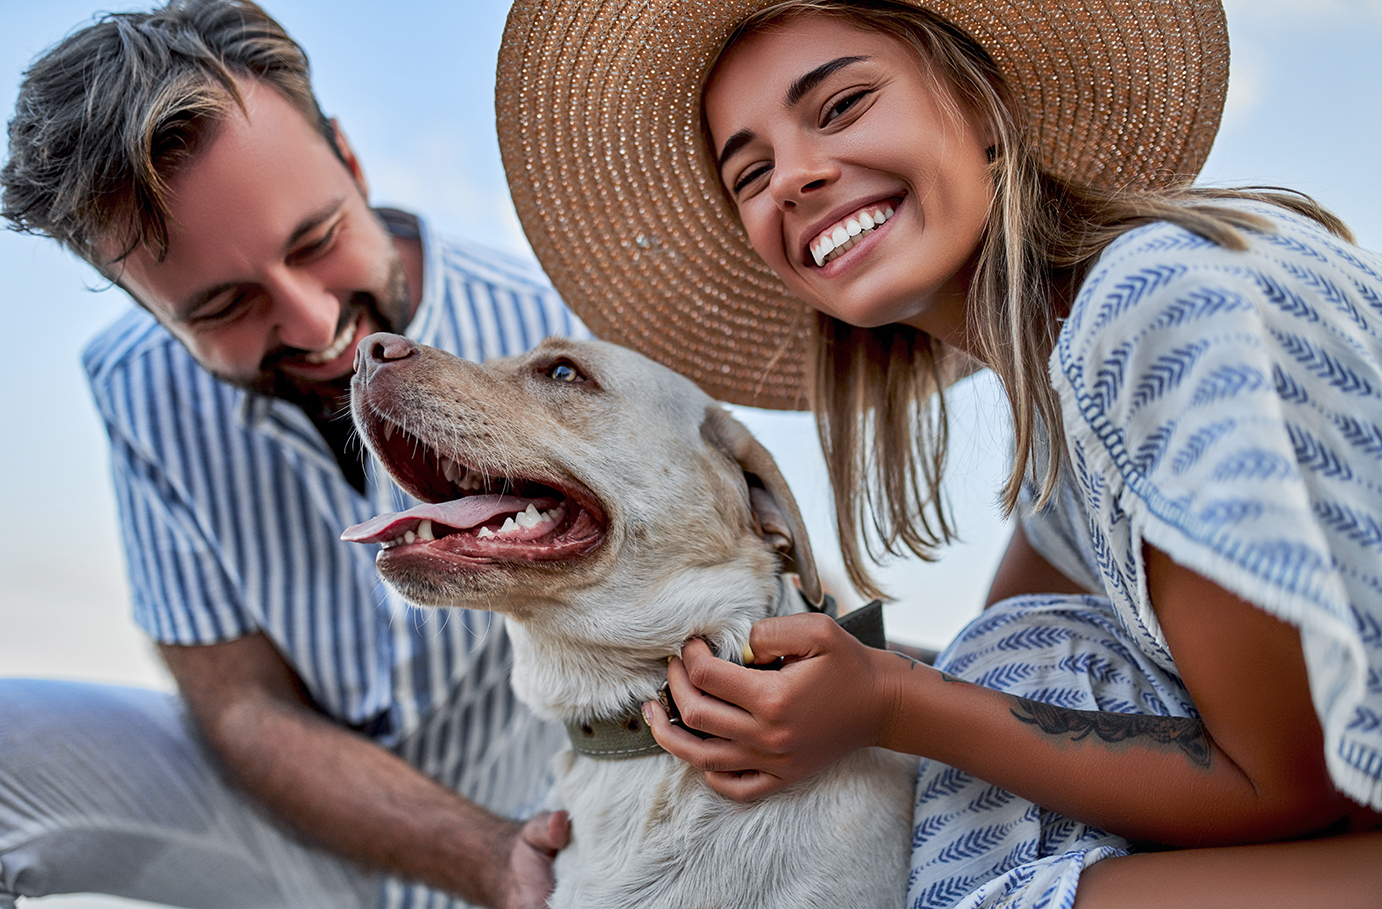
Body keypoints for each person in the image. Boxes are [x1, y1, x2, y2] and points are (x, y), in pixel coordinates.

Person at [495, 0, 1382, 905]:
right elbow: (980, 678)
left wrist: (888, 702)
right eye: (751, 173)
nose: (793, 177)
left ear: (986, 108)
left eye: (842, 105)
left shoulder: (1149, 311)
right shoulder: (1065, 415)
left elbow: (1293, 784)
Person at [0, 1, 588, 907]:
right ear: (146, 306)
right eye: (225, 306)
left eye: (316, 241)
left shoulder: (554, 332)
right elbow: (240, 703)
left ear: (349, 159)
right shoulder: (135, 386)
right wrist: (482, 858)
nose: (316, 327)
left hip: (558, 829)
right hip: (292, 838)